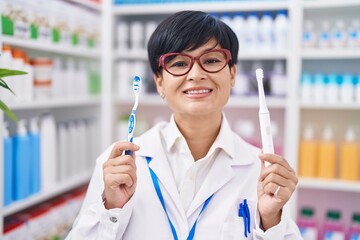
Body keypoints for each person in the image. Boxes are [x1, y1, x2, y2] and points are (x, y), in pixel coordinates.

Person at [66, 10, 301, 240]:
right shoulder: (118, 164)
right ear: (159, 82)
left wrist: (270, 221)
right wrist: (112, 209)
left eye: (211, 60)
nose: (196, 74)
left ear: (232, 75)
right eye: (179, 63)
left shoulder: (259, 171)